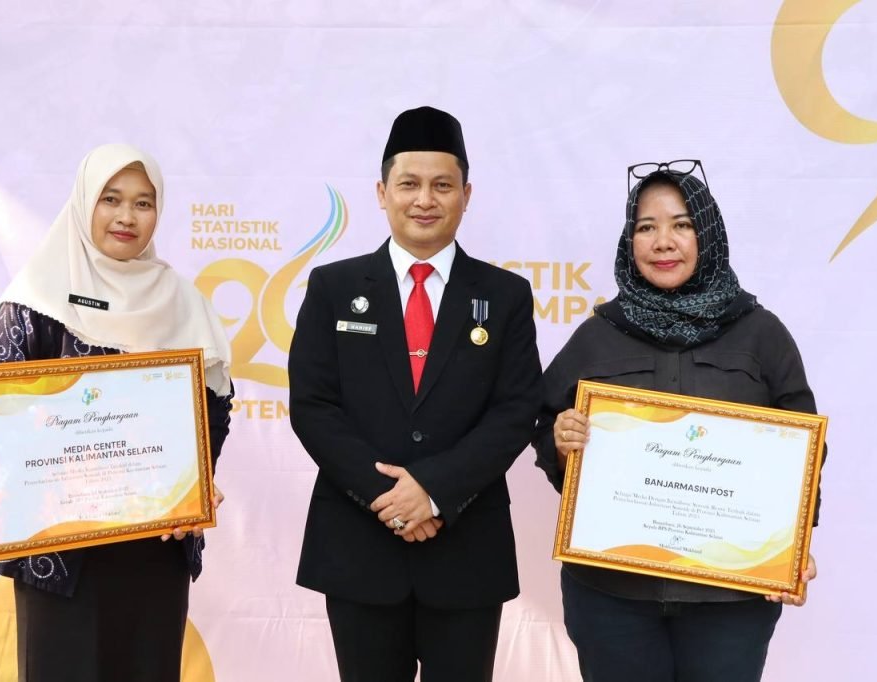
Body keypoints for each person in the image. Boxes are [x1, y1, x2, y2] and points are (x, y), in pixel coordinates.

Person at [0, 144, 233, 682]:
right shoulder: (35, 301)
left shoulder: (183, 302)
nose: (127, 217)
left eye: (144, 203)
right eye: (111, 199)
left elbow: (214, 410)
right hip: (59, 557)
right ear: (84, 204)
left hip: (153, 552)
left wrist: (197, 480)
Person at [533, 160, 823, 682]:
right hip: (611, 596)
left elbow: (804, 447)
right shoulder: (598, 334)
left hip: (729, 600)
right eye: (646, 227)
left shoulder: (762, 334)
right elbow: (545, 422)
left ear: (707, 234)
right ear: (630, 241)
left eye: (681, 224)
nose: (663, 241)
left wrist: (795, 542)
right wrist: (560, 440)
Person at [288, 106, 542, 682]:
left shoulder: (505, 295)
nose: (424, 199)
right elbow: (313, 406)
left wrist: (433, 492)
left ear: (466, 195)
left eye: (442, 185)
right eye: (409, 184)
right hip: (359, 548)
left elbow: (515, 410)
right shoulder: (333, 286)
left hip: (466, 549)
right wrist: (392, 498)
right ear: (382, 193)